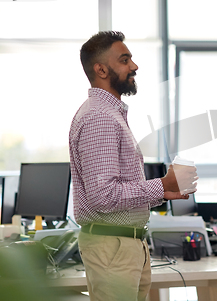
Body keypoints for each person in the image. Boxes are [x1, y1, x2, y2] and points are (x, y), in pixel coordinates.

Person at [69, 31, 198, 301]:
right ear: (101, 69)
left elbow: (117, 191)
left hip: (125, 245)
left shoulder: (111, 113)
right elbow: (103, 196)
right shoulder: (100, 118)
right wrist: (163, 184)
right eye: (125, 60)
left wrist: (163, 191)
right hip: (113, 247)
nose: (134, 66)